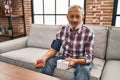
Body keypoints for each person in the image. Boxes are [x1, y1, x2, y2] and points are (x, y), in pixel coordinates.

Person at [34, 5, 95, 80]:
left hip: (81, 60)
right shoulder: (62, 29)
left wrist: (75, 61)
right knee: (48, 61)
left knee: (83, 71)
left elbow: (89, 57)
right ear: (67, 17)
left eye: (77, 16)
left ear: (82, 17)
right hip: (64, 57)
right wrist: (44, 57)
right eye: (71, 16)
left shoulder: (89, 32)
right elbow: (54, 48)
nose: (74, 20)